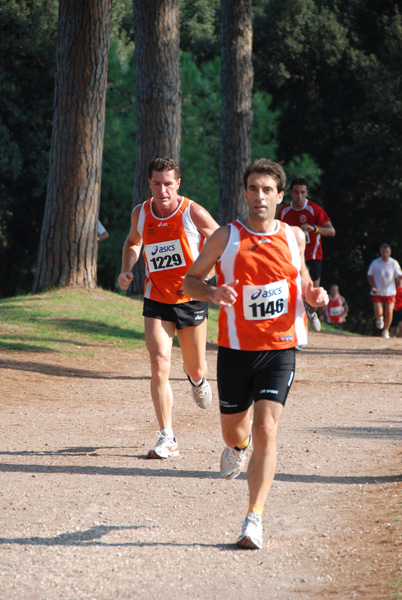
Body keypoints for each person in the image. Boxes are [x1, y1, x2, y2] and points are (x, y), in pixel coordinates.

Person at [183, 158, 328, 550]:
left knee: (267, 428)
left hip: (279, 350)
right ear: (245, 193)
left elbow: (304, 283)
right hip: (235, 350)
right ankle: (237, 447)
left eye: (267, 190)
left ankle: (254, 518)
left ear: (281, 197)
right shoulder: (226, 237)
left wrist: (315, 297)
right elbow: (190, 281)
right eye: (253, 189)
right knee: (236, 431)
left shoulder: (293, 237)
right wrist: (212, 293)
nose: (259, 196)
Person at [118, 157, 219, 458]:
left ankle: (198, 381)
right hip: (156, 298)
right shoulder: (141, 213)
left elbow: (221, 246)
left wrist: (201, 280)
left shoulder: (193, 212)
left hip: (190, 300)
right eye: (156, 183)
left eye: (168, 184)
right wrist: (127, 269)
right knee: (159, 360)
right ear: (149, 183)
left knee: (194, 366)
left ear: (178, 184)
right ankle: (168, 436)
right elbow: (133, 243)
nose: (162, 190)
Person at [277, 177, 335, 332]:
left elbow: (331, 231)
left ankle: (312, 314)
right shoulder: (284, 211)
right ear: (290, 193)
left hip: (312, 256)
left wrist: (314, 229)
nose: (299, 196)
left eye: (302, 192)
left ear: (307, 192)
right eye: (296, 192)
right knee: (294, 293)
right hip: (290, 256)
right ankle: (297, 330)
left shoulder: (314, 209)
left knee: (313, 295)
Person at [367, 244, 402, 339]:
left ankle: (385, 330)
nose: (385, 254)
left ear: (390, 252)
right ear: (380, 252)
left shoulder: (394, 263)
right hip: (378, 291)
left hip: (390, 291)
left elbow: (399, 275)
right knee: (378, 312)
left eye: (387, 252)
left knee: (389, 311)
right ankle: (379, 318)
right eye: (383, 252)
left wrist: (399, 280)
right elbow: (370, 275)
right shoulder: (376, 263)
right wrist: (373, 286)